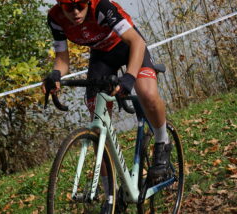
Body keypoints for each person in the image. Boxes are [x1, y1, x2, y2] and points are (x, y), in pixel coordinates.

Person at [42, 0, 171, 198]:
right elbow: (62, 58)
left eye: (80, 6)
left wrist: (129, 77)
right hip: (102, 57)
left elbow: (137, 42)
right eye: (69, 8)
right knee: (97, 123)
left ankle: (163, 142)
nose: (75, 12)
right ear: (61, 6)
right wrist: (55, 75)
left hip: (130, 48)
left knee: (147, 94)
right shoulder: (55, 18)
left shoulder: (101, 7)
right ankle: (111, 194)